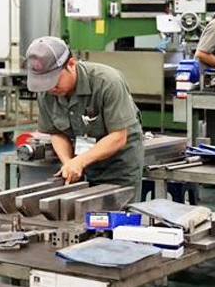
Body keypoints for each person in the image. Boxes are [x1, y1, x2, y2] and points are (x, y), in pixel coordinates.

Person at [26, 36, 144, 200]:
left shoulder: (107, 82)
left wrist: (79, 162)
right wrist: (69, 162)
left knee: (118, 213)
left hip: (119, 167)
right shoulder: (47, 92)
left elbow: (118, 137)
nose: (50, 88)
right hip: (83, 166)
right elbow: (56, 132)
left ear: (71, 65)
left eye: (54, 80)